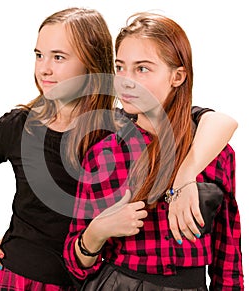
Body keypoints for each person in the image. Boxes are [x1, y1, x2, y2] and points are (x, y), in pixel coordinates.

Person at [0, 7, 237, 291]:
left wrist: (186, 175)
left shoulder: (115, 126)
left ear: (90, 63)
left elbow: (214, 121)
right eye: (39, 55)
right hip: (21, 274)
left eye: (59, 57)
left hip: (80, 282)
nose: (44, 68)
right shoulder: (24, 127)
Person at [63, 12, 244, 290]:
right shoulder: (103, 153)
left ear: (178, 76)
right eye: (120, 67)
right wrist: (97, 232)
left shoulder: (216, 152)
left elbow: (228, 254)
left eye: (142, 69)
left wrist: (185, 179)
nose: (126, 81)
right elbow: (75, 266)